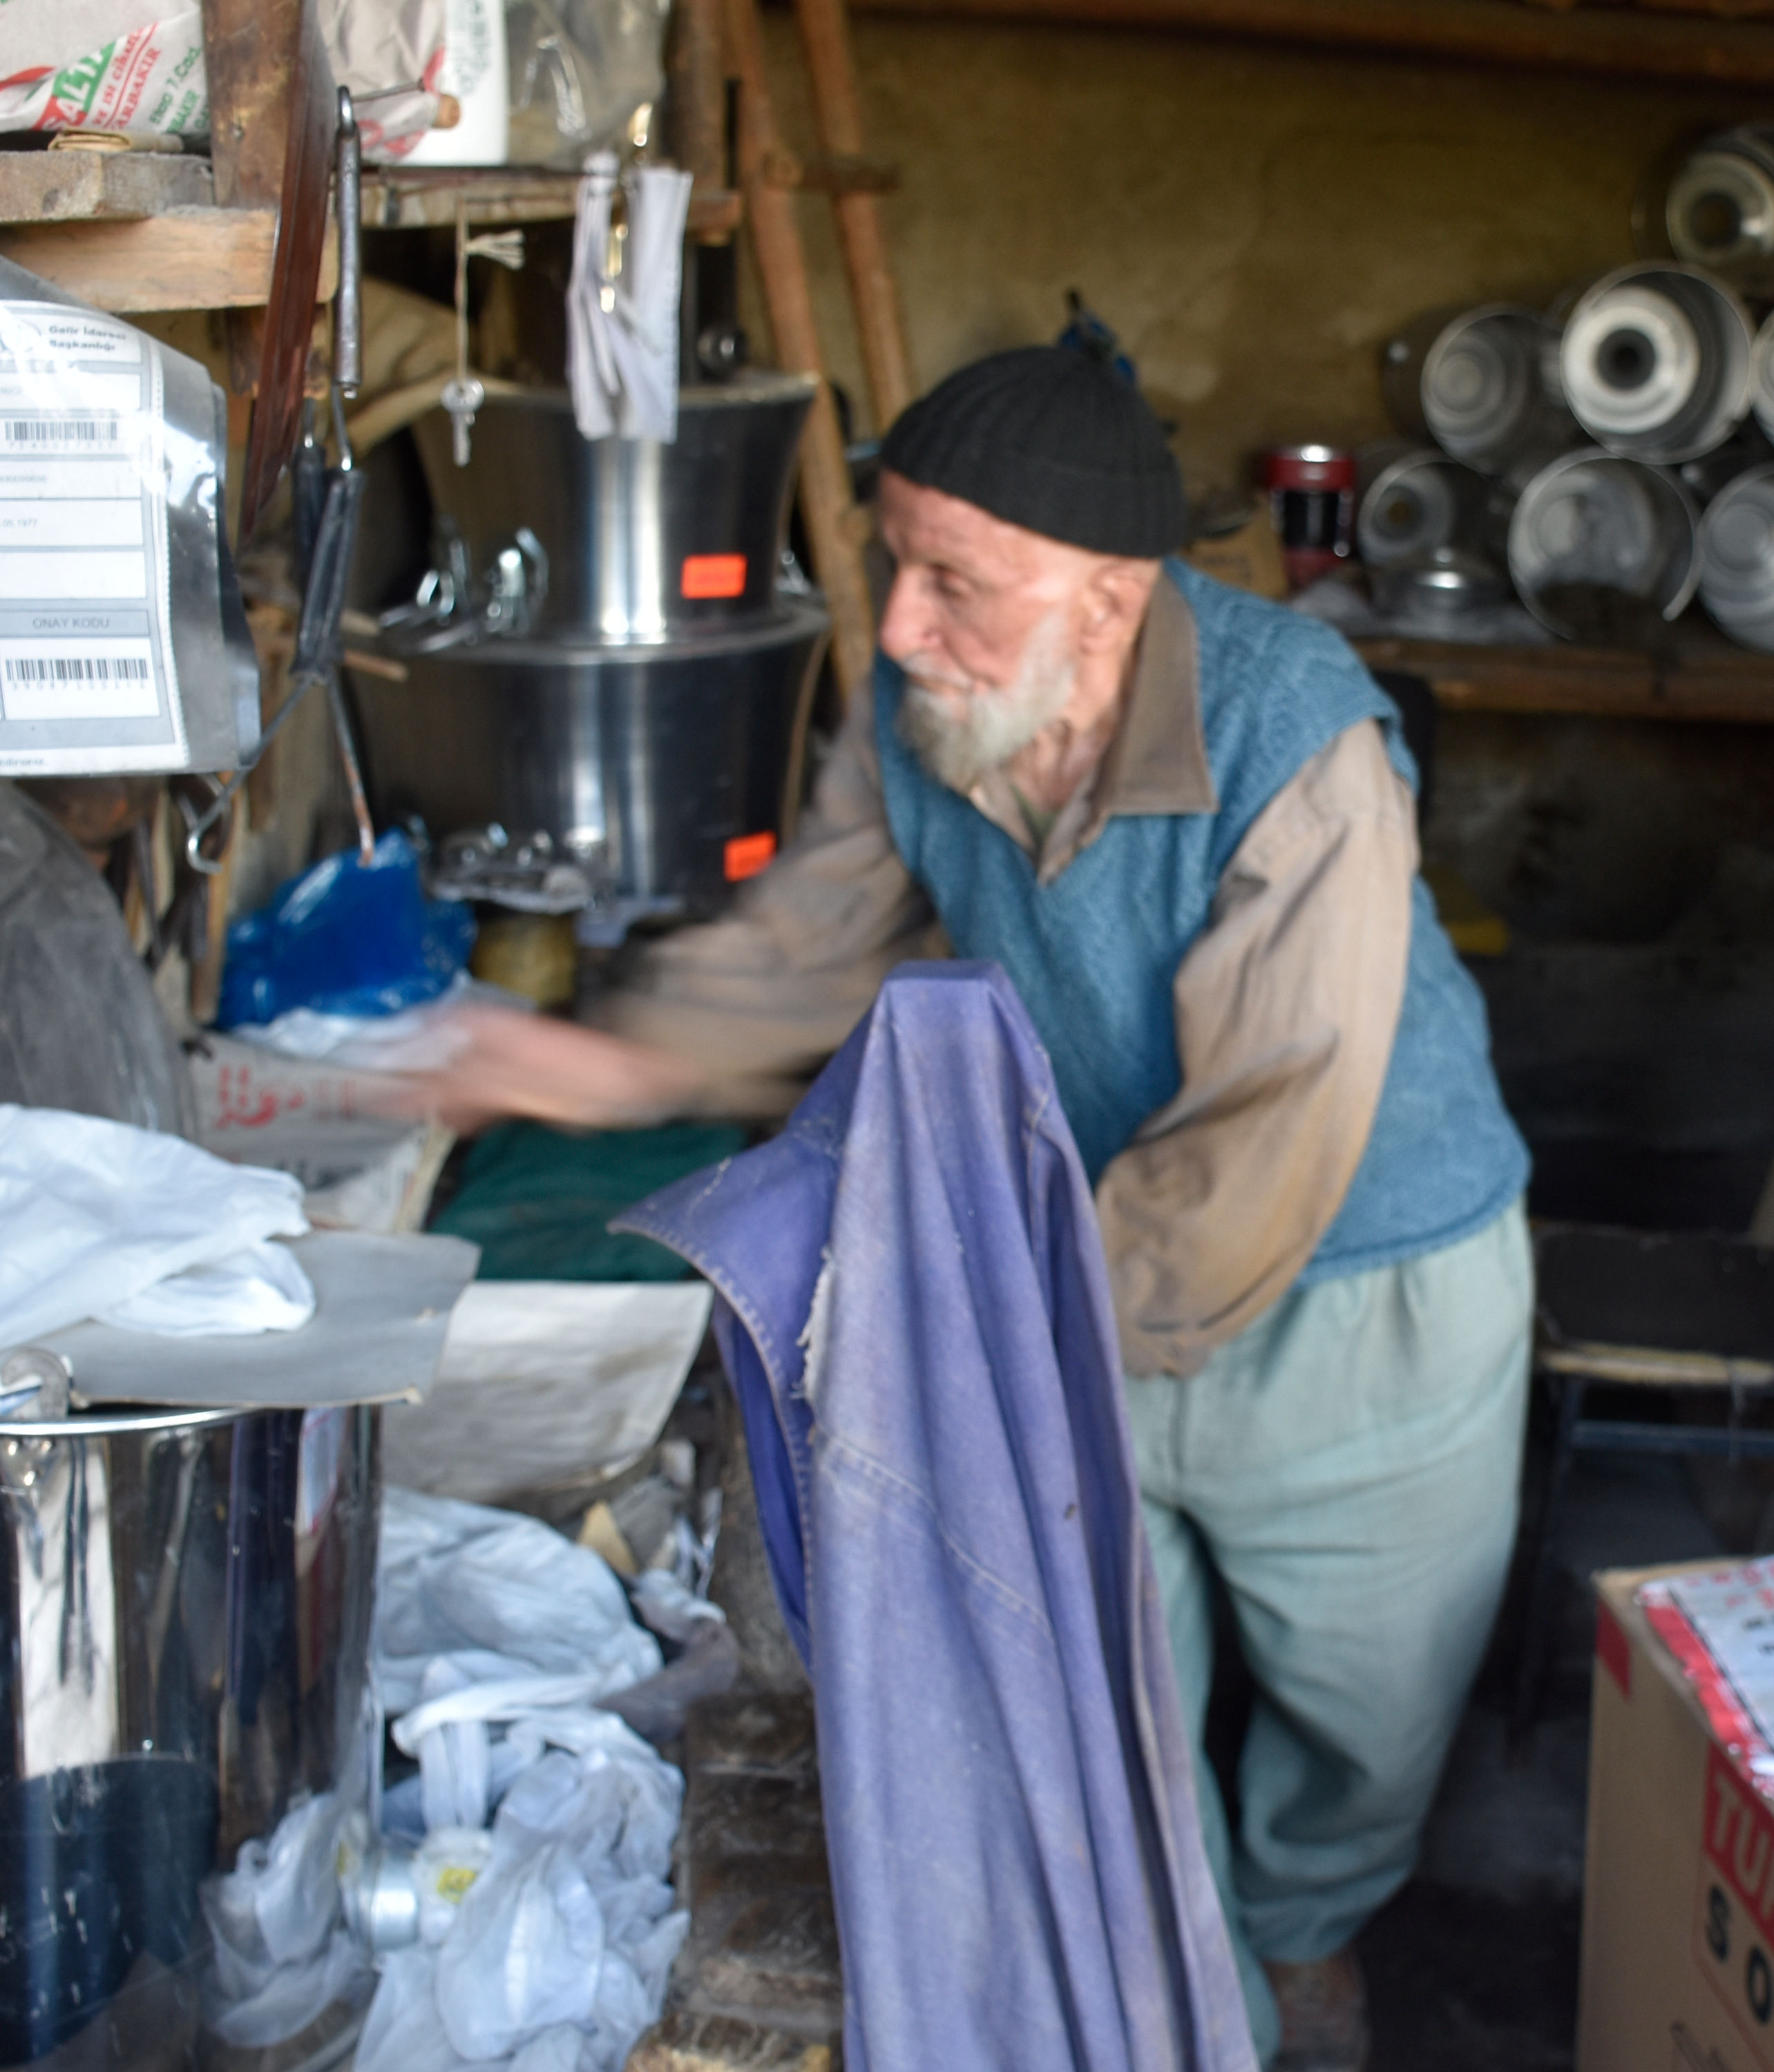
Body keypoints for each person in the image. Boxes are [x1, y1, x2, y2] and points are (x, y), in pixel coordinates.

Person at [416, 343, 1534, 2071]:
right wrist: (589, 1068)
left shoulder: (1296, 739)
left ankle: (1315, 1930)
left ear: (1109, 598)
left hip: (1363, 1293)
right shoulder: (937, 714)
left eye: (957, 579)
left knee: (1363, 1720)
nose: (908, 622)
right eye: (895, 563)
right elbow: (806, 945)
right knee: (1110, 1720)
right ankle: (1208, 2014)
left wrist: (1007, 1344)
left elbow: (1270, 1134)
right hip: (1086, 1267)